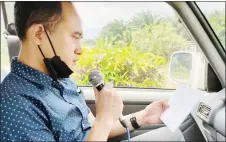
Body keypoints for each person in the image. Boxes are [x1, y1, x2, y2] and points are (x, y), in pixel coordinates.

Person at [0, 2, 184, 141]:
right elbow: (99, 128)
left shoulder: (62, 80)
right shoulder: (14, 104)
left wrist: (142, 117)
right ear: (39, 34)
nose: (80, 49)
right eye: (74, 37)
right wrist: (104, 119)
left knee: (175, 135)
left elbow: (91, 131)